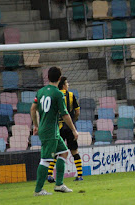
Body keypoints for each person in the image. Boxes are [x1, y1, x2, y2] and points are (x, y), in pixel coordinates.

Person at [31, 67, 79, 196]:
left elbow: (32, 109)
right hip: (50, 130)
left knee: (63, 153)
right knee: (45, 159)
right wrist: (74, 130)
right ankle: (38, 190)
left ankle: (59, 184)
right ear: (59, 78)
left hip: (49, 129)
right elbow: (65, 114)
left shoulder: (40, 92)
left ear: (48, 78)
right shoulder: (58, 93)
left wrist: (35, 125)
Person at [47, 77, 82, 182]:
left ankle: (50, 175)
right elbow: (77, 111)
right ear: (63, 85)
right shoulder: (71, 95)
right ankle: (79, 175)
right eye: (67, 83)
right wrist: (73, 121)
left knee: (56, 151)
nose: (68, 85)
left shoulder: (54, 95)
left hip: (58, 128)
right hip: (69, 127)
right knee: (74, 150)